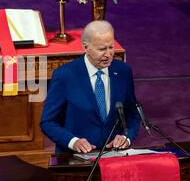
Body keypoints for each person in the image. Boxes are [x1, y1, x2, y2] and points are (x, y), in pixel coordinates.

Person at [40, 20, 140, 154]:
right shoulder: (64, 76)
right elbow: (47, 122)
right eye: (102, 49)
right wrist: (73, 141)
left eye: (111, 47)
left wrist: (126, 137)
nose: (108, 54)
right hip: (75, 158)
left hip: (114, 155)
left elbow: (133, 115)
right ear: (86, 47)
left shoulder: (123, 71)